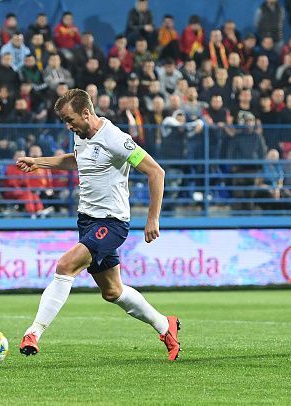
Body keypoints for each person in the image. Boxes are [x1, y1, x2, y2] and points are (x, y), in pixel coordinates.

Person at [15, 89, 180, 361]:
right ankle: (166, 326)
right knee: (112, 291)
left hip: (112, 223)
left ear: (86, 113)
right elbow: (76, 160)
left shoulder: (115, 139)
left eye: (70, 120)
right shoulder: (82, 136)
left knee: (65, 265)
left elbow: (155, 171)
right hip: (87, 221)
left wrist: (152, 218)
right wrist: (39, 162)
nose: (68, 126)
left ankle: (34, 332)